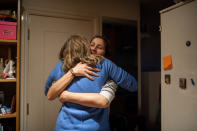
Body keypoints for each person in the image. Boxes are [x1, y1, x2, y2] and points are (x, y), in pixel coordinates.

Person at [45, 35, 137, 131]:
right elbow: (49, 94)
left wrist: (113, 78)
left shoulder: (106, 65)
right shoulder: (66, 64)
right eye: (91, 45)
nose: (93, 49)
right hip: (67, 126)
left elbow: (132, 85)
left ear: (105, 52)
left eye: (99, 47)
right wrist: (72, 72)